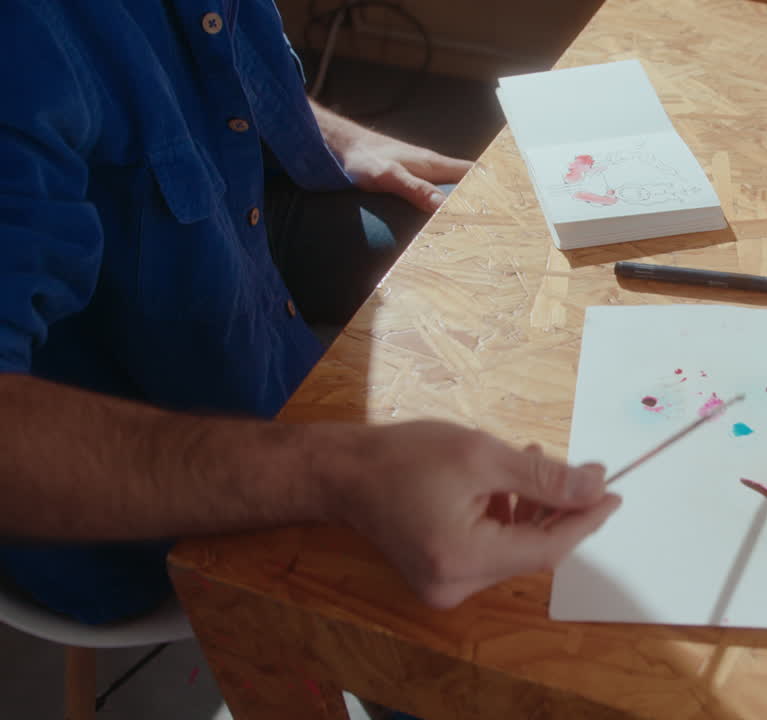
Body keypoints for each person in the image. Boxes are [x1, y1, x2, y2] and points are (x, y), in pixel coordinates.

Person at [0, 1, 620, 625]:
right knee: (501, 606)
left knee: (506, 244)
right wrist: (337, 474)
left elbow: (199, 64)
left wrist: (331, 136)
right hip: (126, 489)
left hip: (228, 237)